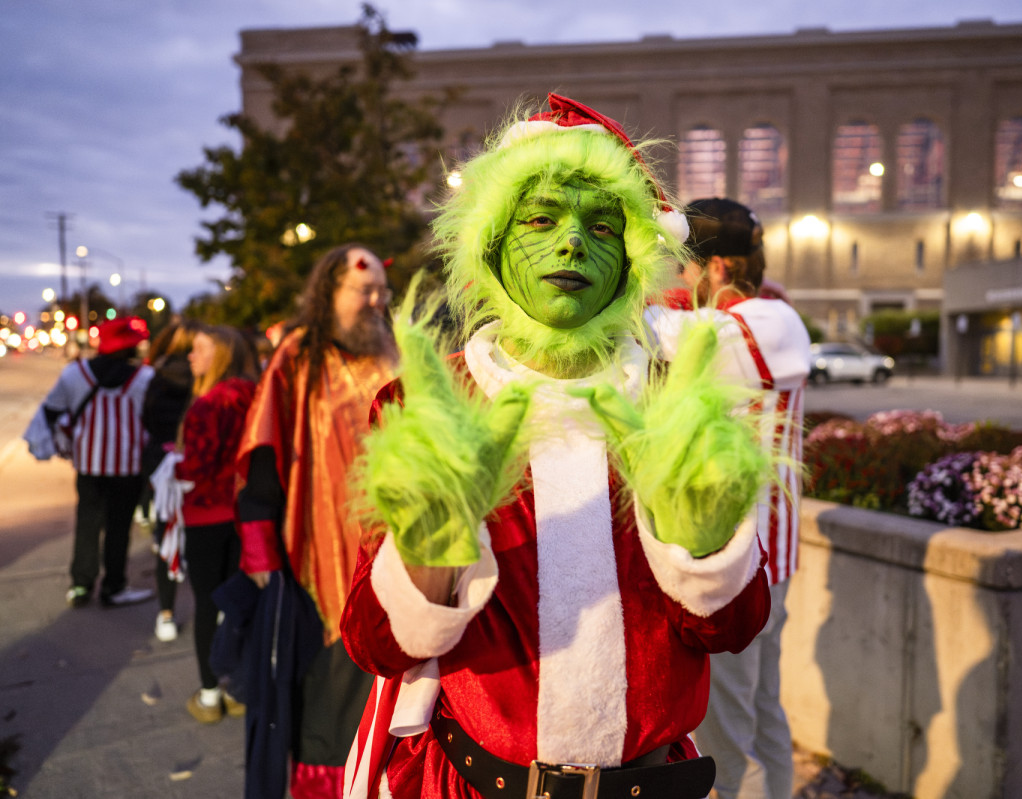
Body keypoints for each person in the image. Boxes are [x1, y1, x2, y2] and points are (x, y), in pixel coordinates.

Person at [339, 93, 774, 799]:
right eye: (541, 218)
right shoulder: (429, 402)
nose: (572, 241)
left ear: (632, 258)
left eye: (602, 225)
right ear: (492, 242)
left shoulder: (679, 402)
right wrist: (427, 554)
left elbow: (735, 625)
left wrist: (704, 547)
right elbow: (373, 641)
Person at [645, 198, 811, 799]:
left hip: (747, 567)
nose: (681, 284)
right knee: (761, 712)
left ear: (716, 268)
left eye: (686, 271)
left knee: (727, 732)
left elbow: (652, 333)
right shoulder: (769, 318)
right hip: (762, 562)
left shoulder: (767, 322)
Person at [235, 243, 398, 797]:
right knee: (325, 708)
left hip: (396, 561)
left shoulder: (394, 352)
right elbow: (262, 455)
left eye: (381, 290)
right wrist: (260, 553)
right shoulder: (298, 357)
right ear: (329, 293)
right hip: (317, 563)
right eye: (363, 290)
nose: (376, 301)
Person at [169, 324, 260, 723]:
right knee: (240, 602)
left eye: (200, 348)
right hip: (247, 516)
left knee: (207, 605)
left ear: (220, 354)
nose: (191, 356)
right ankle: (240, 686)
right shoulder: (255, 395)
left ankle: (210, 694)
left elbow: (198, 467)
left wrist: (174, 465)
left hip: (207, 516)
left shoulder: (209, 405)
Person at [39, 316, 156, 608]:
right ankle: (113, 586)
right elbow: (155, 422)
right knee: (118, 528)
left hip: (89, 464)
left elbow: (52, 411)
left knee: (87, 524)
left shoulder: (74, 373)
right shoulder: (144, 378)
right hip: (128, 466)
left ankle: (81, 584)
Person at [141, 318, 202, 641]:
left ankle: (166, 613)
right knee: (203, 539)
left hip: (162, 465)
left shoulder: (157, 376)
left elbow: (146, 418)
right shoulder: (205, 379)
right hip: (197, 465)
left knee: (167, 536)